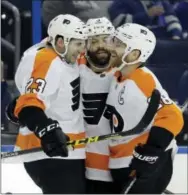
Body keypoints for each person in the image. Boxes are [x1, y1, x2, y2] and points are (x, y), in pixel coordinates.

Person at [104, 23, 184, 194]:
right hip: (123, 161)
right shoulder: (117, 77)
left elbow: (173, 116)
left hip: (146, 161)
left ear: (134, 54)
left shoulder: (143, 79)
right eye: (113, 41)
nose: (110, 47)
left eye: (118, 44)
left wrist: (151, 152)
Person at [13, 14, 88, 194]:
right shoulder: (46, 59)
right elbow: (29, 105)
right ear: (61, 42)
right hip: (49, 152)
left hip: (67, 151)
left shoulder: (61, 55)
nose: (82, 50)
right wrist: (47, 131)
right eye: (78, 44)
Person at [78, 17, 117, 193]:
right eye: (94, 41)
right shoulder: (72, 72)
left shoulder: (128, 72)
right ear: (85, 45)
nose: (100, 45)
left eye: (105, 39)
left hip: (123, 165)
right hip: (85, 168)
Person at [108, 0, 183, 40]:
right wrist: (147, 15)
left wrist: (176, 35)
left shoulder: (161, 2)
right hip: (136, 43)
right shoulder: (121, 2)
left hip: (163, 42)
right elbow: (119, 23)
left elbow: (172, 20)